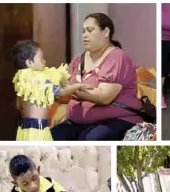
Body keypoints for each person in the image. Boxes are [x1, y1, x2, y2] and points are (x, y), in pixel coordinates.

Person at [51, 13, 143, 141]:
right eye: (83, 31)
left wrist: (71, 89)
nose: (84, 35)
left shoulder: (117, 57)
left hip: (115, 120)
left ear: (105, 32)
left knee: (91, 139)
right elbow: (65, 95)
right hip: (78, 122)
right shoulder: (78, 59)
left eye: (90, 30)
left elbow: (104, 97)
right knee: (53, 136)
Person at [11, 40, 90, 141]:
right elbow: (60, 92)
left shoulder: (23, 79)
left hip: (24, 128)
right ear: (29, 62)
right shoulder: (39, 79)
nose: (44, 61)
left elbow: (19, 105)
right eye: (41, 58)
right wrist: (78, 86)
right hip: (38, 130)